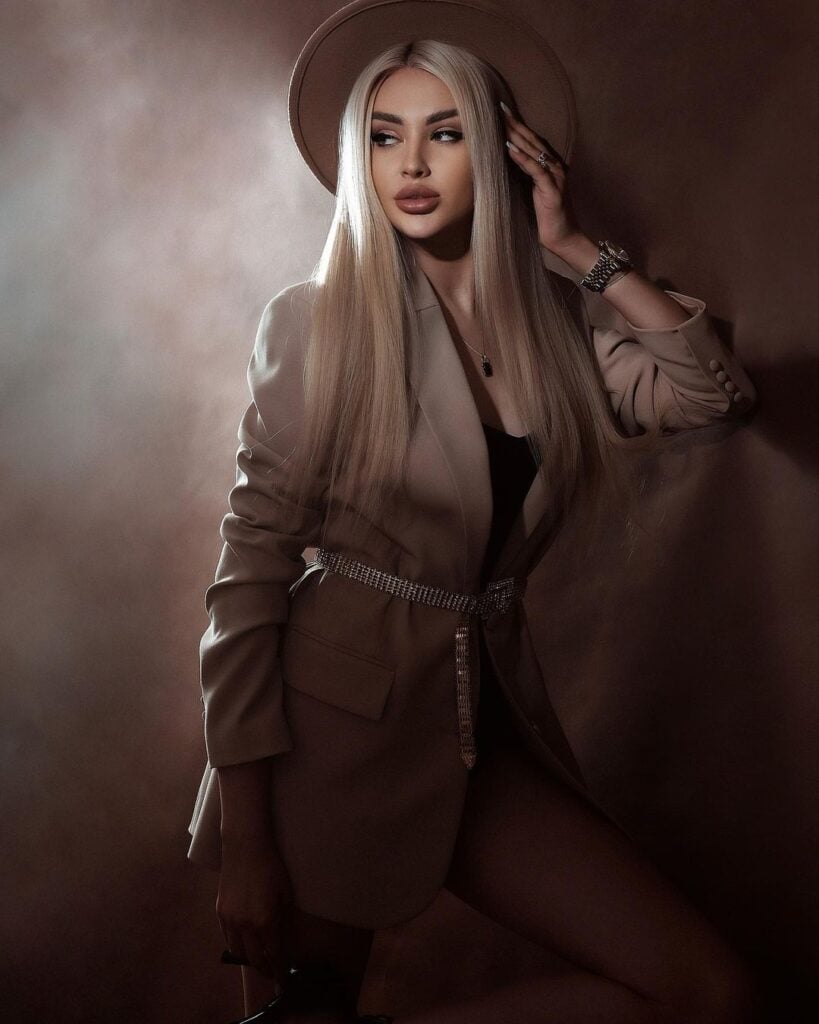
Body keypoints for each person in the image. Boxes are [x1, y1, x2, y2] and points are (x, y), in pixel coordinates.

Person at [186, 2, 759, 1021]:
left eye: (445, 133)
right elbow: (247, 584)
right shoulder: (316, 324)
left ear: (499, 153)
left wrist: (578, 251)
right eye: (385, 137)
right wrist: (248, 839)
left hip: (476, 730)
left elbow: (716, 398)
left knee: (704, 992)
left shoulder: (555, 330)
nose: (412, 163)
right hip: (323, 749)